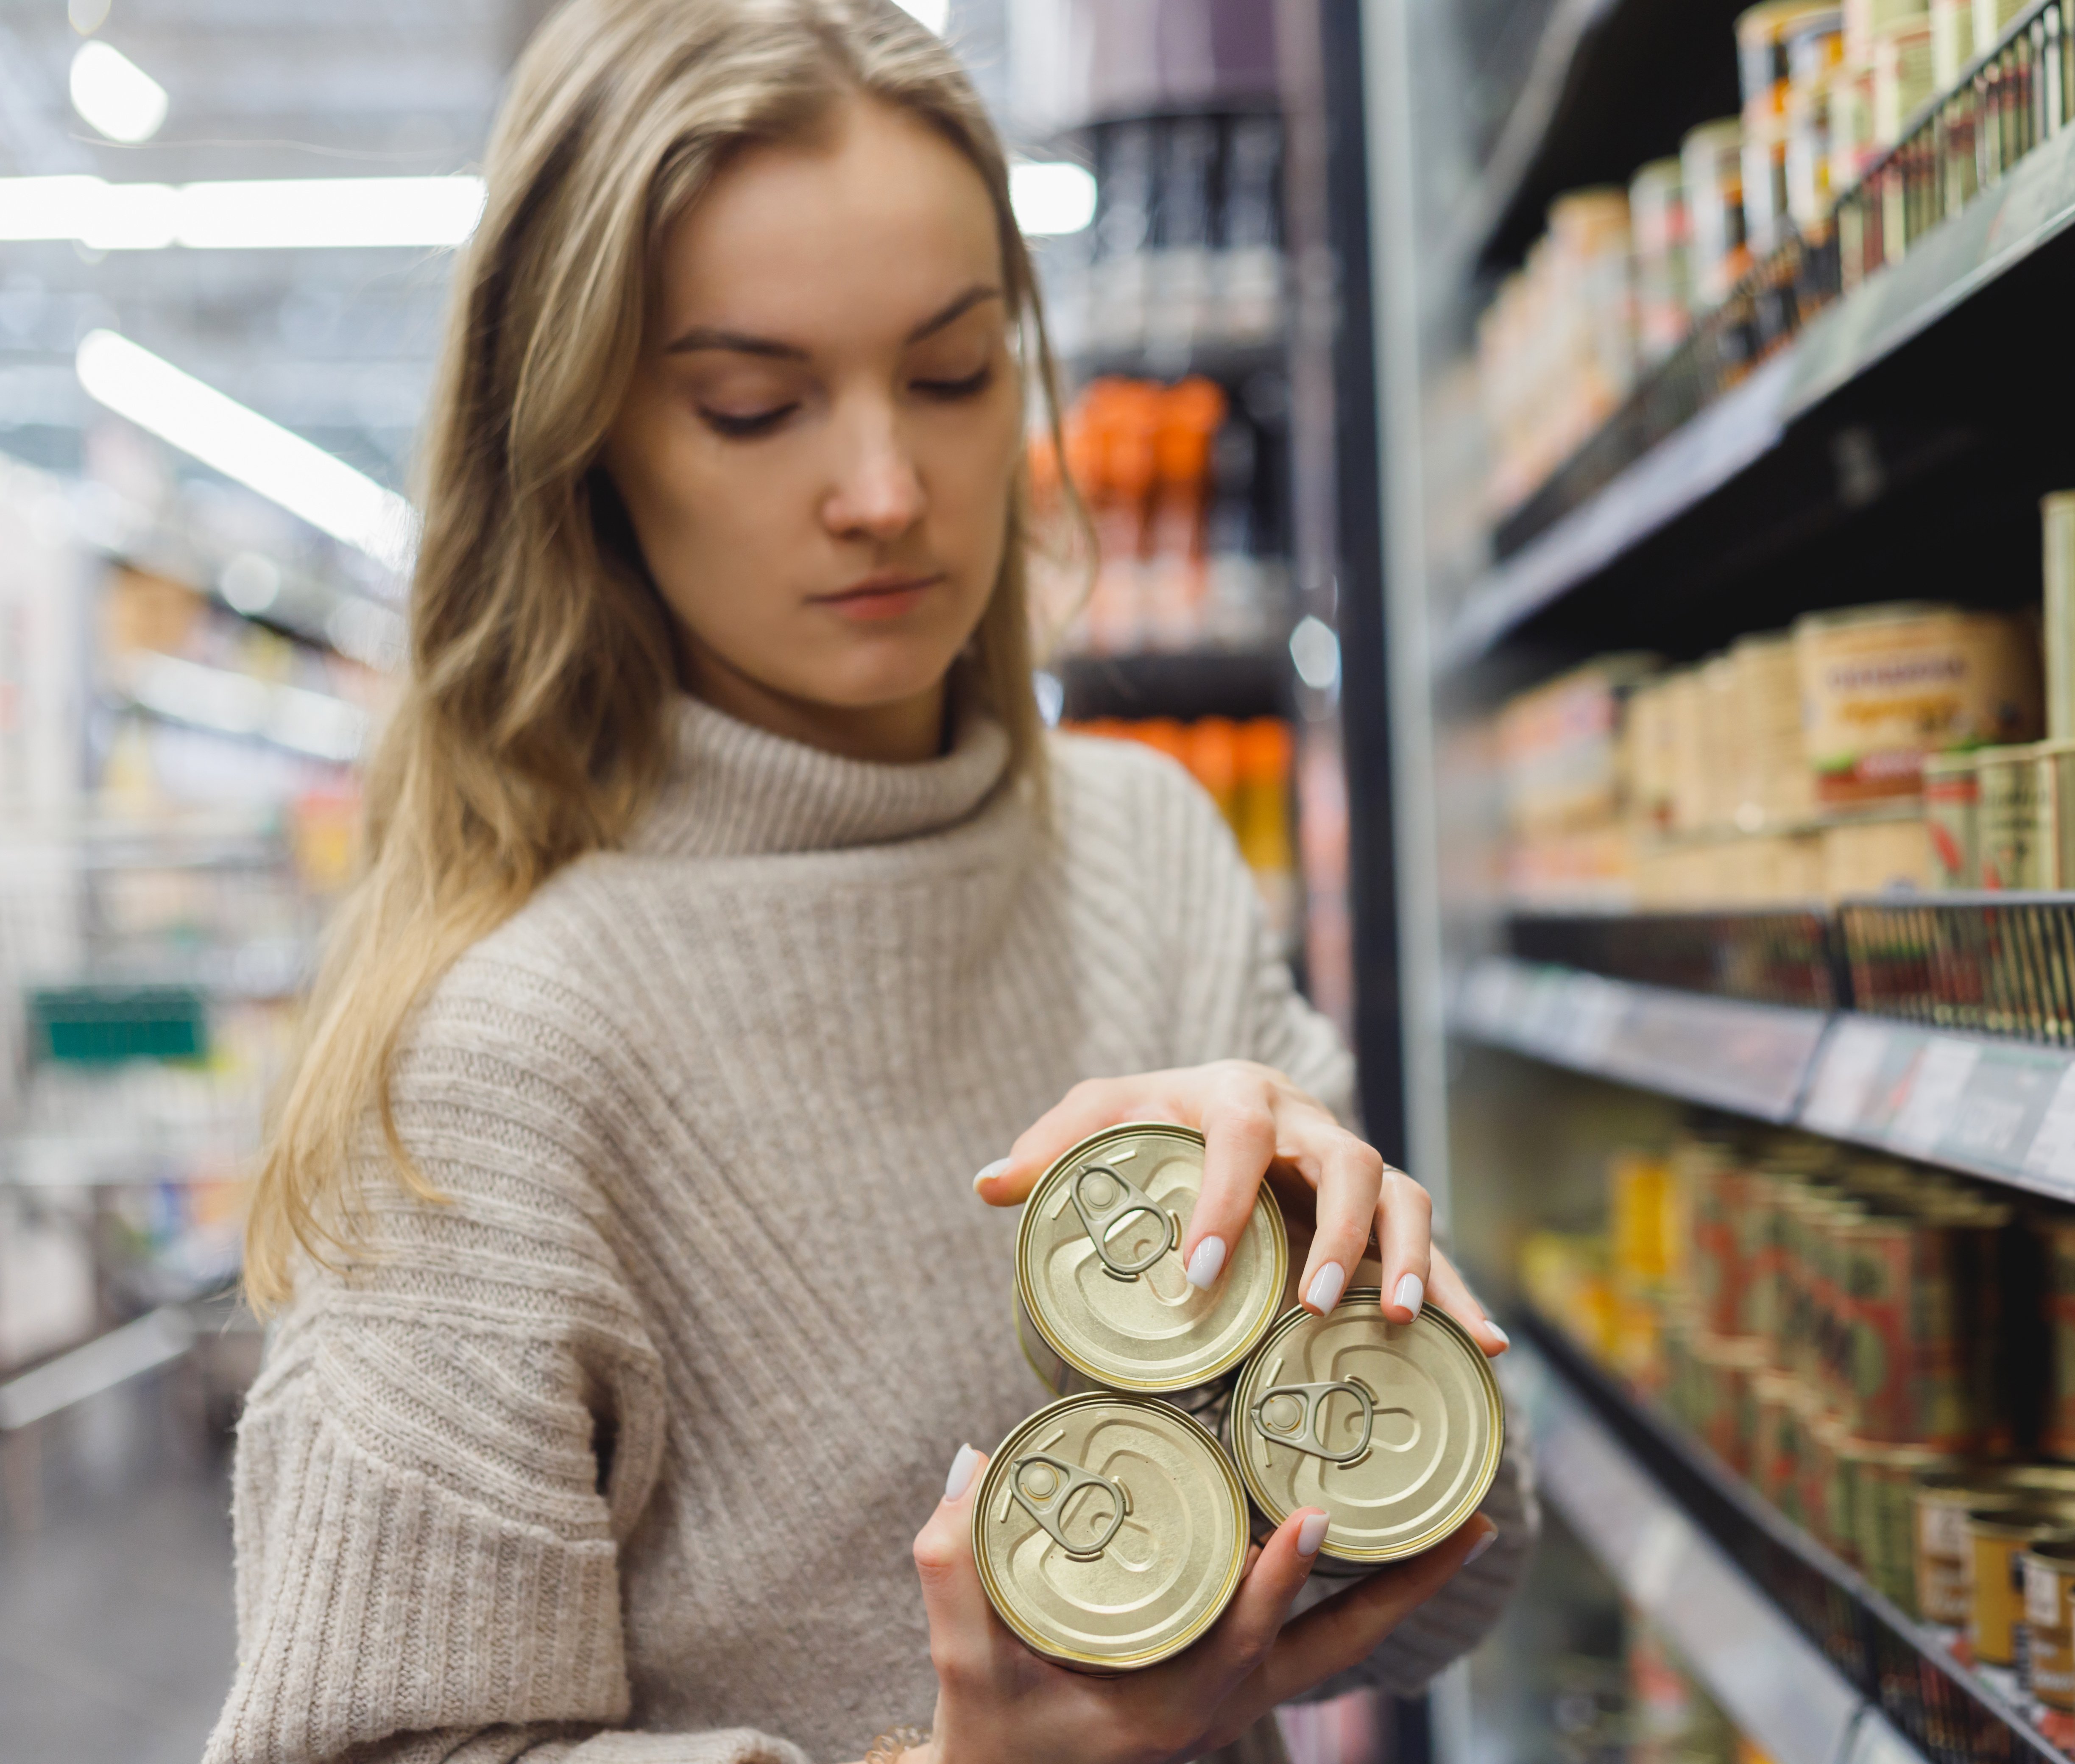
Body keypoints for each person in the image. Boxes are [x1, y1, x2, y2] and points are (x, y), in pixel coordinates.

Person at [203, 3, 1532, 1760]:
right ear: (583, 438)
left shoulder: (1142, 853)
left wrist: (1343, 1311)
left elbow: (1455, 1571)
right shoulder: (497, 1053)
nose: (890, 491)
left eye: (955, 372)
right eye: (754, 405)